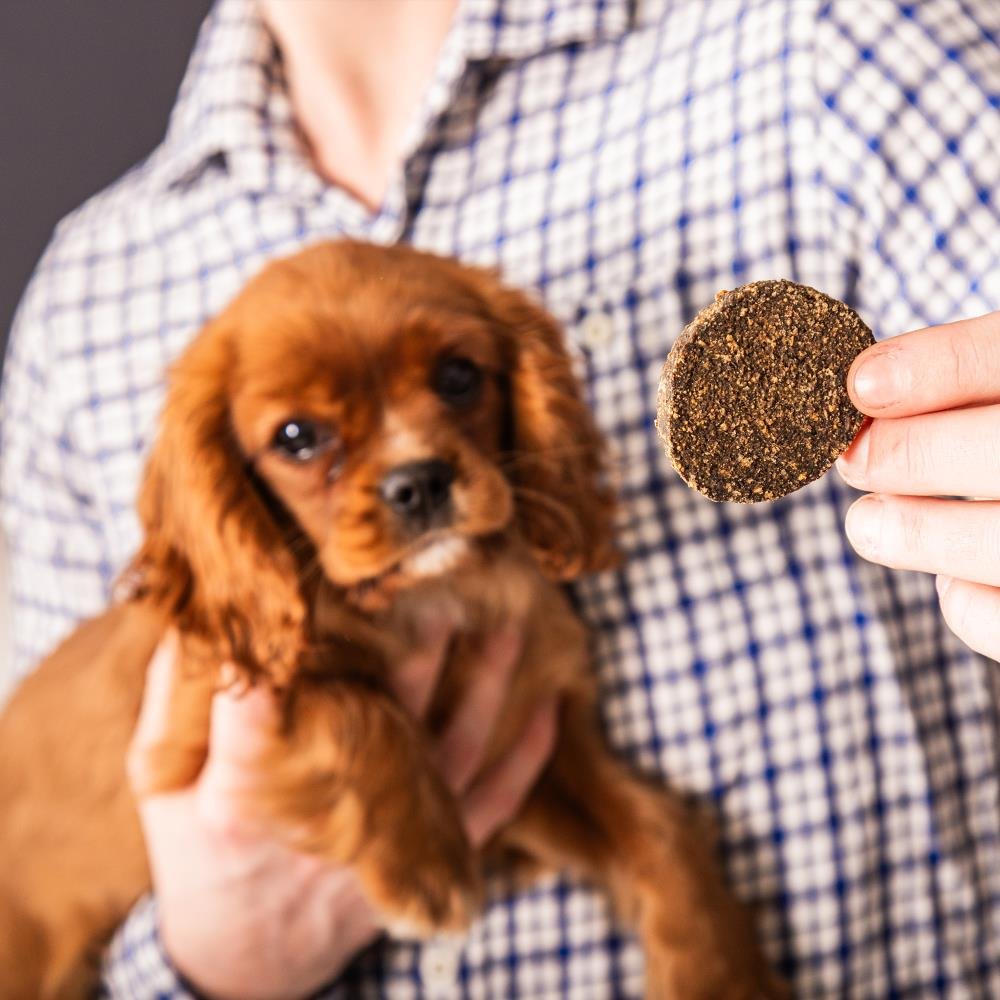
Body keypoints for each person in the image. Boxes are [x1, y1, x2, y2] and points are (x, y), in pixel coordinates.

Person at [1, 0, 998, 996]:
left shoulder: (834, 49)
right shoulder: (82, 301)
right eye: (302, 440)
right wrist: (207, 969)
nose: (411, 465)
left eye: (456, 381)